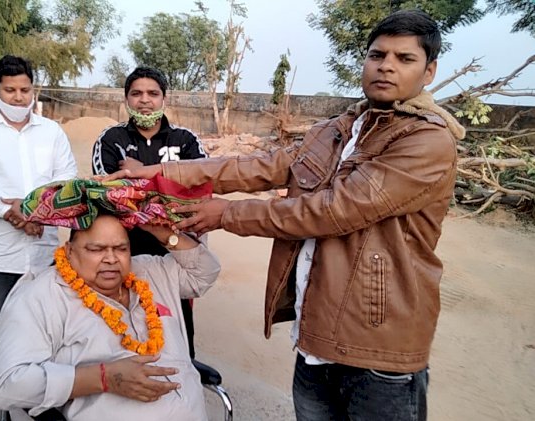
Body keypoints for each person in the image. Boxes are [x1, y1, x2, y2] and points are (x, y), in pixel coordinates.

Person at [103, 10, 465, 420]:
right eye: (377, 54)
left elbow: (334, 211)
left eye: (405, 59)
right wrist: (162, 172)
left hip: (379, 345)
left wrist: (227, 215)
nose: (386, 66)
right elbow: (260, 167)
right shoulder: (338, 130)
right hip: (316, 335)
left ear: (429, 71)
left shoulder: (426, 141)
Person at [0, 214, 221, 421]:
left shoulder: (151, 271)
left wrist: (161, 231)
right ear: (69, 251)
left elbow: (205, 272)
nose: (111, 259)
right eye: (96, 249)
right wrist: (103, 377)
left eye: (121, 248)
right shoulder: (40, 296)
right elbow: (7, 386)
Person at [0, 55, 78, 421]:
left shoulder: (51, 132)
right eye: (10, 90)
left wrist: (37, 212)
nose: (19, 97)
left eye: (25, 90)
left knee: (44, 325)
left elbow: (65, 181)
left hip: (41, 253)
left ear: (33, 88)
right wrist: (11, 212)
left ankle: (35, 396)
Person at [91, 66, 208, 359]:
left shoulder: (185, 140)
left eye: (153, 93)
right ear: (127, 99)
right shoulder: (110, 139)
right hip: (124, 250)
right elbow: (112, 196)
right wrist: (168, 184)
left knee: (176, 321)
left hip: (174, 250)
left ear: (164, 99)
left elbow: (199, 192)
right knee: (122, 319)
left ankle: (183, 373)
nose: (145, 100)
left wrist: (135, 175)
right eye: (137, 93)